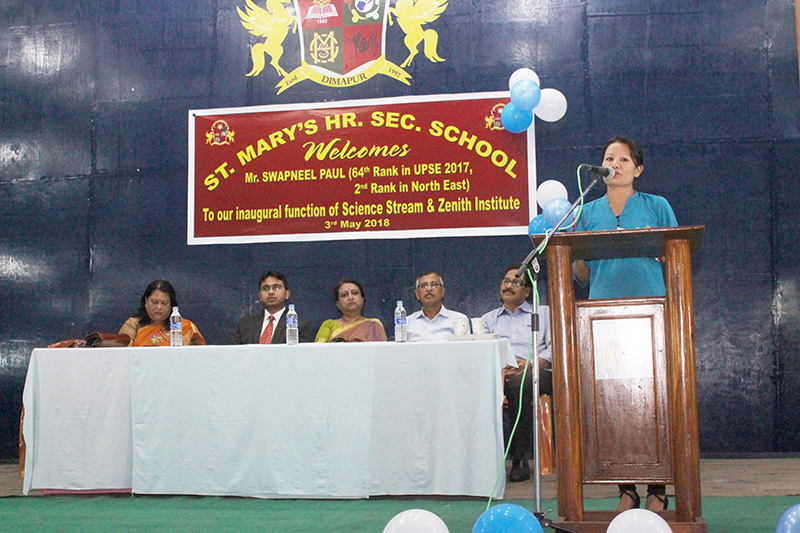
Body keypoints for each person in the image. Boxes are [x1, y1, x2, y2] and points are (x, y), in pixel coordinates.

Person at [572, 135, 678, 512]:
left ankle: (658, 490)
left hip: (652, 315)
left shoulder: (657, 206)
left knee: (655, 403)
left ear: (638, 169)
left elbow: (674, 255)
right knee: (613, 403)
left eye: (622, 159)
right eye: (608, 159)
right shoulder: (586, 212)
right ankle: (627, 490)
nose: (614, 165)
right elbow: (581, 272)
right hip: (603, 318)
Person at [482, 265, 553, 482]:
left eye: (516, 282)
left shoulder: (543, 313)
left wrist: (530, 364)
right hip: (500, 374)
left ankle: (519, 458)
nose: (509, 286)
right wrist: (501, 368)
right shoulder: (488, 319)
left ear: (527, 291)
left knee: (518, 386)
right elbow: (482, 350)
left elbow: (556, 348)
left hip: (538, 373)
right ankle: (479, 463)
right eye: (506, 281)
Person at [233, 270, 314, 344]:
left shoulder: (301, 325)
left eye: (276, 287)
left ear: (287, 294)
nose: (271, 292)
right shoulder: (245, 325)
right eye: (265, 288)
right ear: (260, 296)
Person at [119, 279, 206, 346]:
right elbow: (124, 354)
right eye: (154, 302)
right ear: (146, 301)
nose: (159, 307)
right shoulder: (133, 324)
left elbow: (198, 356)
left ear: (171, 305)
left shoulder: (185, 327)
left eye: (164, 303)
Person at [315, 278, 387, 342]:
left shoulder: (373, 325)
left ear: (362, 299)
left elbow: (382, 351)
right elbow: (318, 351)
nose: (350, 297)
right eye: (344, 295)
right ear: (338, 304)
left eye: (355, 293)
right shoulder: (329, 325)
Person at [406, 270, 469, 342]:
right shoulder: (406, 323)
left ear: (442, 291)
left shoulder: (459, 320)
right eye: (424, 286)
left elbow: (466, 348)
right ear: (417, 294)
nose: (429, 289)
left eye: (434, 285)